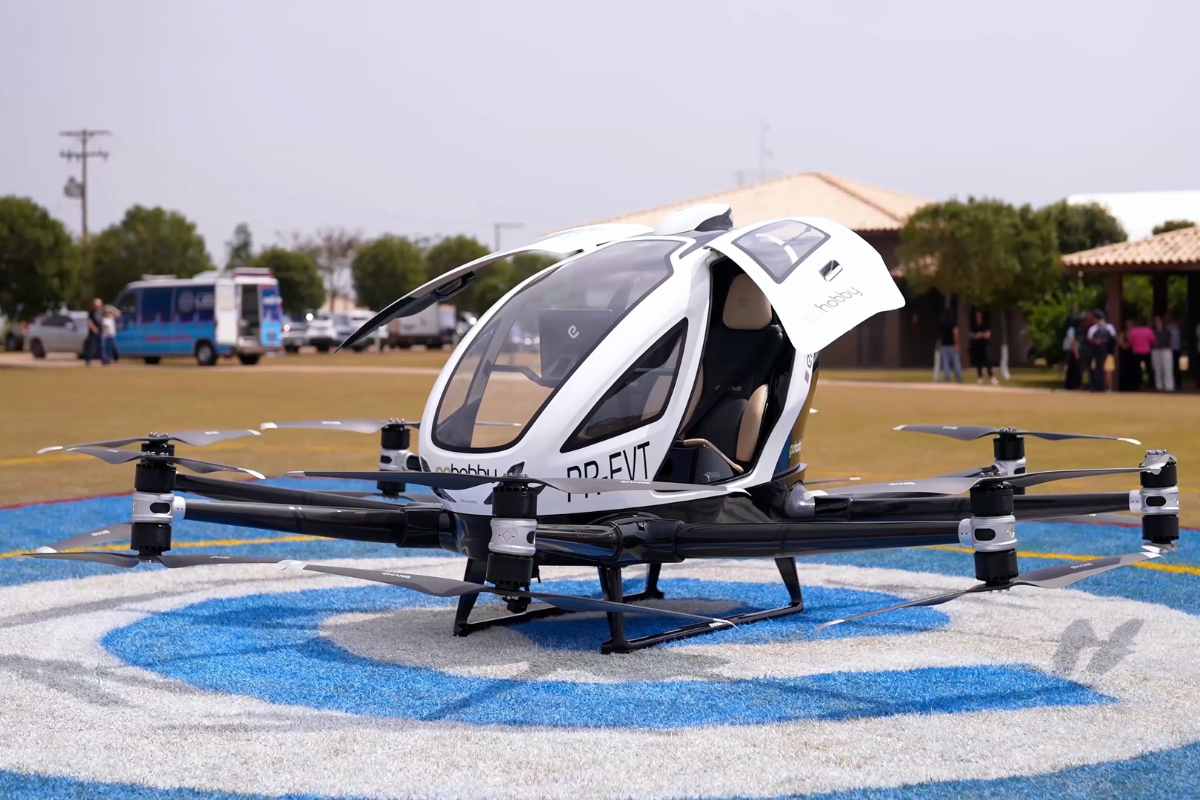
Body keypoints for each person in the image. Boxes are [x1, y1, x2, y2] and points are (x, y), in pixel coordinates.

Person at [1087, 309, 1115, 392]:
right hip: (1097, 352)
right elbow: (1089, 339)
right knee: (1098, 369)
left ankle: (1108, 387)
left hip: (1107, 351)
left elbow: (1113, 339)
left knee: (1108, 370)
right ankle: (1098, 386)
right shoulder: (1093, 328)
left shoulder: (1109, 327)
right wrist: (1095, 341)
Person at [1127, 317, 1156, 391]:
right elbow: (1153, 340)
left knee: (1136, 370)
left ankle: (1137, 385)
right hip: (1146, 352)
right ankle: (1151, 384)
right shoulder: (1148, 331)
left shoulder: (1133, 331)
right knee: (1149, 369)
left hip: (1136, 352)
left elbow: (1130, 342)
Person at [968, 310, 997, 385]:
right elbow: (970, 334)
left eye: (979, 316)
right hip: (977, 346)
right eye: (976, 317)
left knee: (988, 361)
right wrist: (975, 336)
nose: (977, 318)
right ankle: (979, 377)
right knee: (978, 363)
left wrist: (980, 335)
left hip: (985, 346)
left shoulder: (986, 325)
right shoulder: (973, 325)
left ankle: (991, 377)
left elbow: (988, 335)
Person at [937, 309, 962, 383]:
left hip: (944, 345)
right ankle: (958, 377)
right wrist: (956, 343)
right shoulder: (953, 323)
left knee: (945, 363)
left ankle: (947, 377)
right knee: (956, 362)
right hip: (952, 345)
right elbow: (956, 333)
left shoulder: (942, 323)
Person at [1152, 315, 1175, 392]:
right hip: (1156, 351)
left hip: (1166, 350)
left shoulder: (1167, 331)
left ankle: (1169, 386)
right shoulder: (1153, 332)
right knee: (1157, 368)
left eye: (1158, 321)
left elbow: (1171, 340)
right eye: (1156, 321)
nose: (1157, 323)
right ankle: (1159, 386)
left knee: (1167, 368)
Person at [1063, 315, 1082, 390]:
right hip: (1071, 351)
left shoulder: (1075, 329)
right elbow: (1072, 341)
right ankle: (1072, 385)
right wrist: (1076, 352)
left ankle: (1073, 384)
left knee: (1074, 368)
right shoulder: (1072, 329)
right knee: (1073, 368)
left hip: (1072, 350)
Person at [84, 297, 104, 367]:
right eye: (96, 306)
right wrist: (93, 328)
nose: (97, 307)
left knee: (101, 346)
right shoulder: (91, 312)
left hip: (100, 331)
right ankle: (88, 361)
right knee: (91, 347)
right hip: (93, 332)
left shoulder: (101, 311)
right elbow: (89, 322)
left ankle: (104, 360)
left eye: (98, 306)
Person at [1166, 312, 1182, 391]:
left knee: (1175, 367)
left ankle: (1178, 384)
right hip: (1171, 349)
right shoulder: (1168, 326)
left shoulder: (1176, 326)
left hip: (1175, 348)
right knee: (1171, 367)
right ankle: (1172, 384)